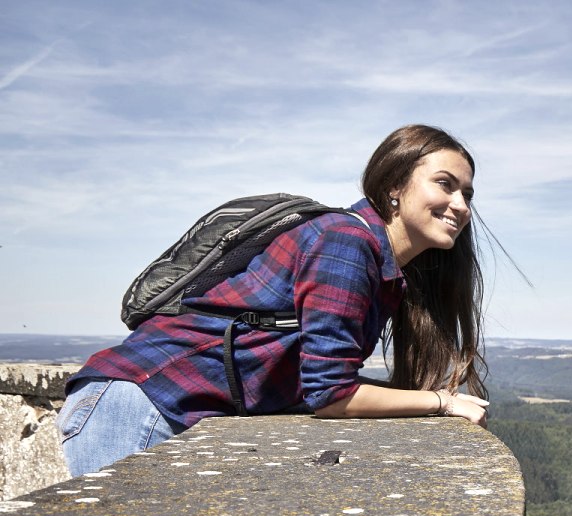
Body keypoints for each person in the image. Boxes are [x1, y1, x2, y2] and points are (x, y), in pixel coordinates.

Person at [58, 124, 492, 476]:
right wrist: (443, 403)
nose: (460, 205)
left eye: (467, 194)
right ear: (395, 185)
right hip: (142, 400)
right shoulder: (346, 241)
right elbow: (332, 394)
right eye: (445, 185)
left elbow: (317, 381)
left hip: (157, 403)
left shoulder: (379, 263)